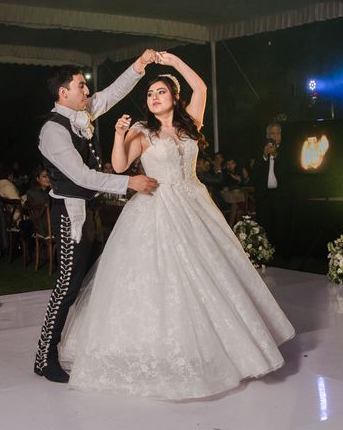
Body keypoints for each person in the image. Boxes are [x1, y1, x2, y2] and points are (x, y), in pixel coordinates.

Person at [57, 52, 295, 400]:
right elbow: (120, 166)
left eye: (160, 92)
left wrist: (172, 62)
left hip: (195, 204)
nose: (153, 98)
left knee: (210, 273)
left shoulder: (190, 126)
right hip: (155, 206)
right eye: (150, 94)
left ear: (174, 97)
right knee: (162, 278)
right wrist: (119, 134)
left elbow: (200, 86)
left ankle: (221, 349)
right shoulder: (143, 131)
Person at [33, 49, 159, 382]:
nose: (87, 92)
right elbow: (82, 177)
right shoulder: (53, 131)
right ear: (64, 92)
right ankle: (45, 357)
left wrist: (139, 65)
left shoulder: (82, 114)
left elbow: (113, 93)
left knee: (88, 281)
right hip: (70, 213)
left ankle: (81, 346)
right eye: (80, 87)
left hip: (88, 211)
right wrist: (128, 181)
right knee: (68, 285)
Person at [254, 123, 291, 259]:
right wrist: (264, 155)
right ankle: (265, 254)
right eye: (272, 134)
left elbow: (288, 170)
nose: (274, 137)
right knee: (265, 224)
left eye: (277, 134)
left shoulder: (287, 150)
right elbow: (255, 172)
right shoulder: (260, 150)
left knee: (281, 225)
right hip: (264, 196)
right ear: (267, 136)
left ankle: (282, 256)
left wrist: (276, 155)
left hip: (280, 195)